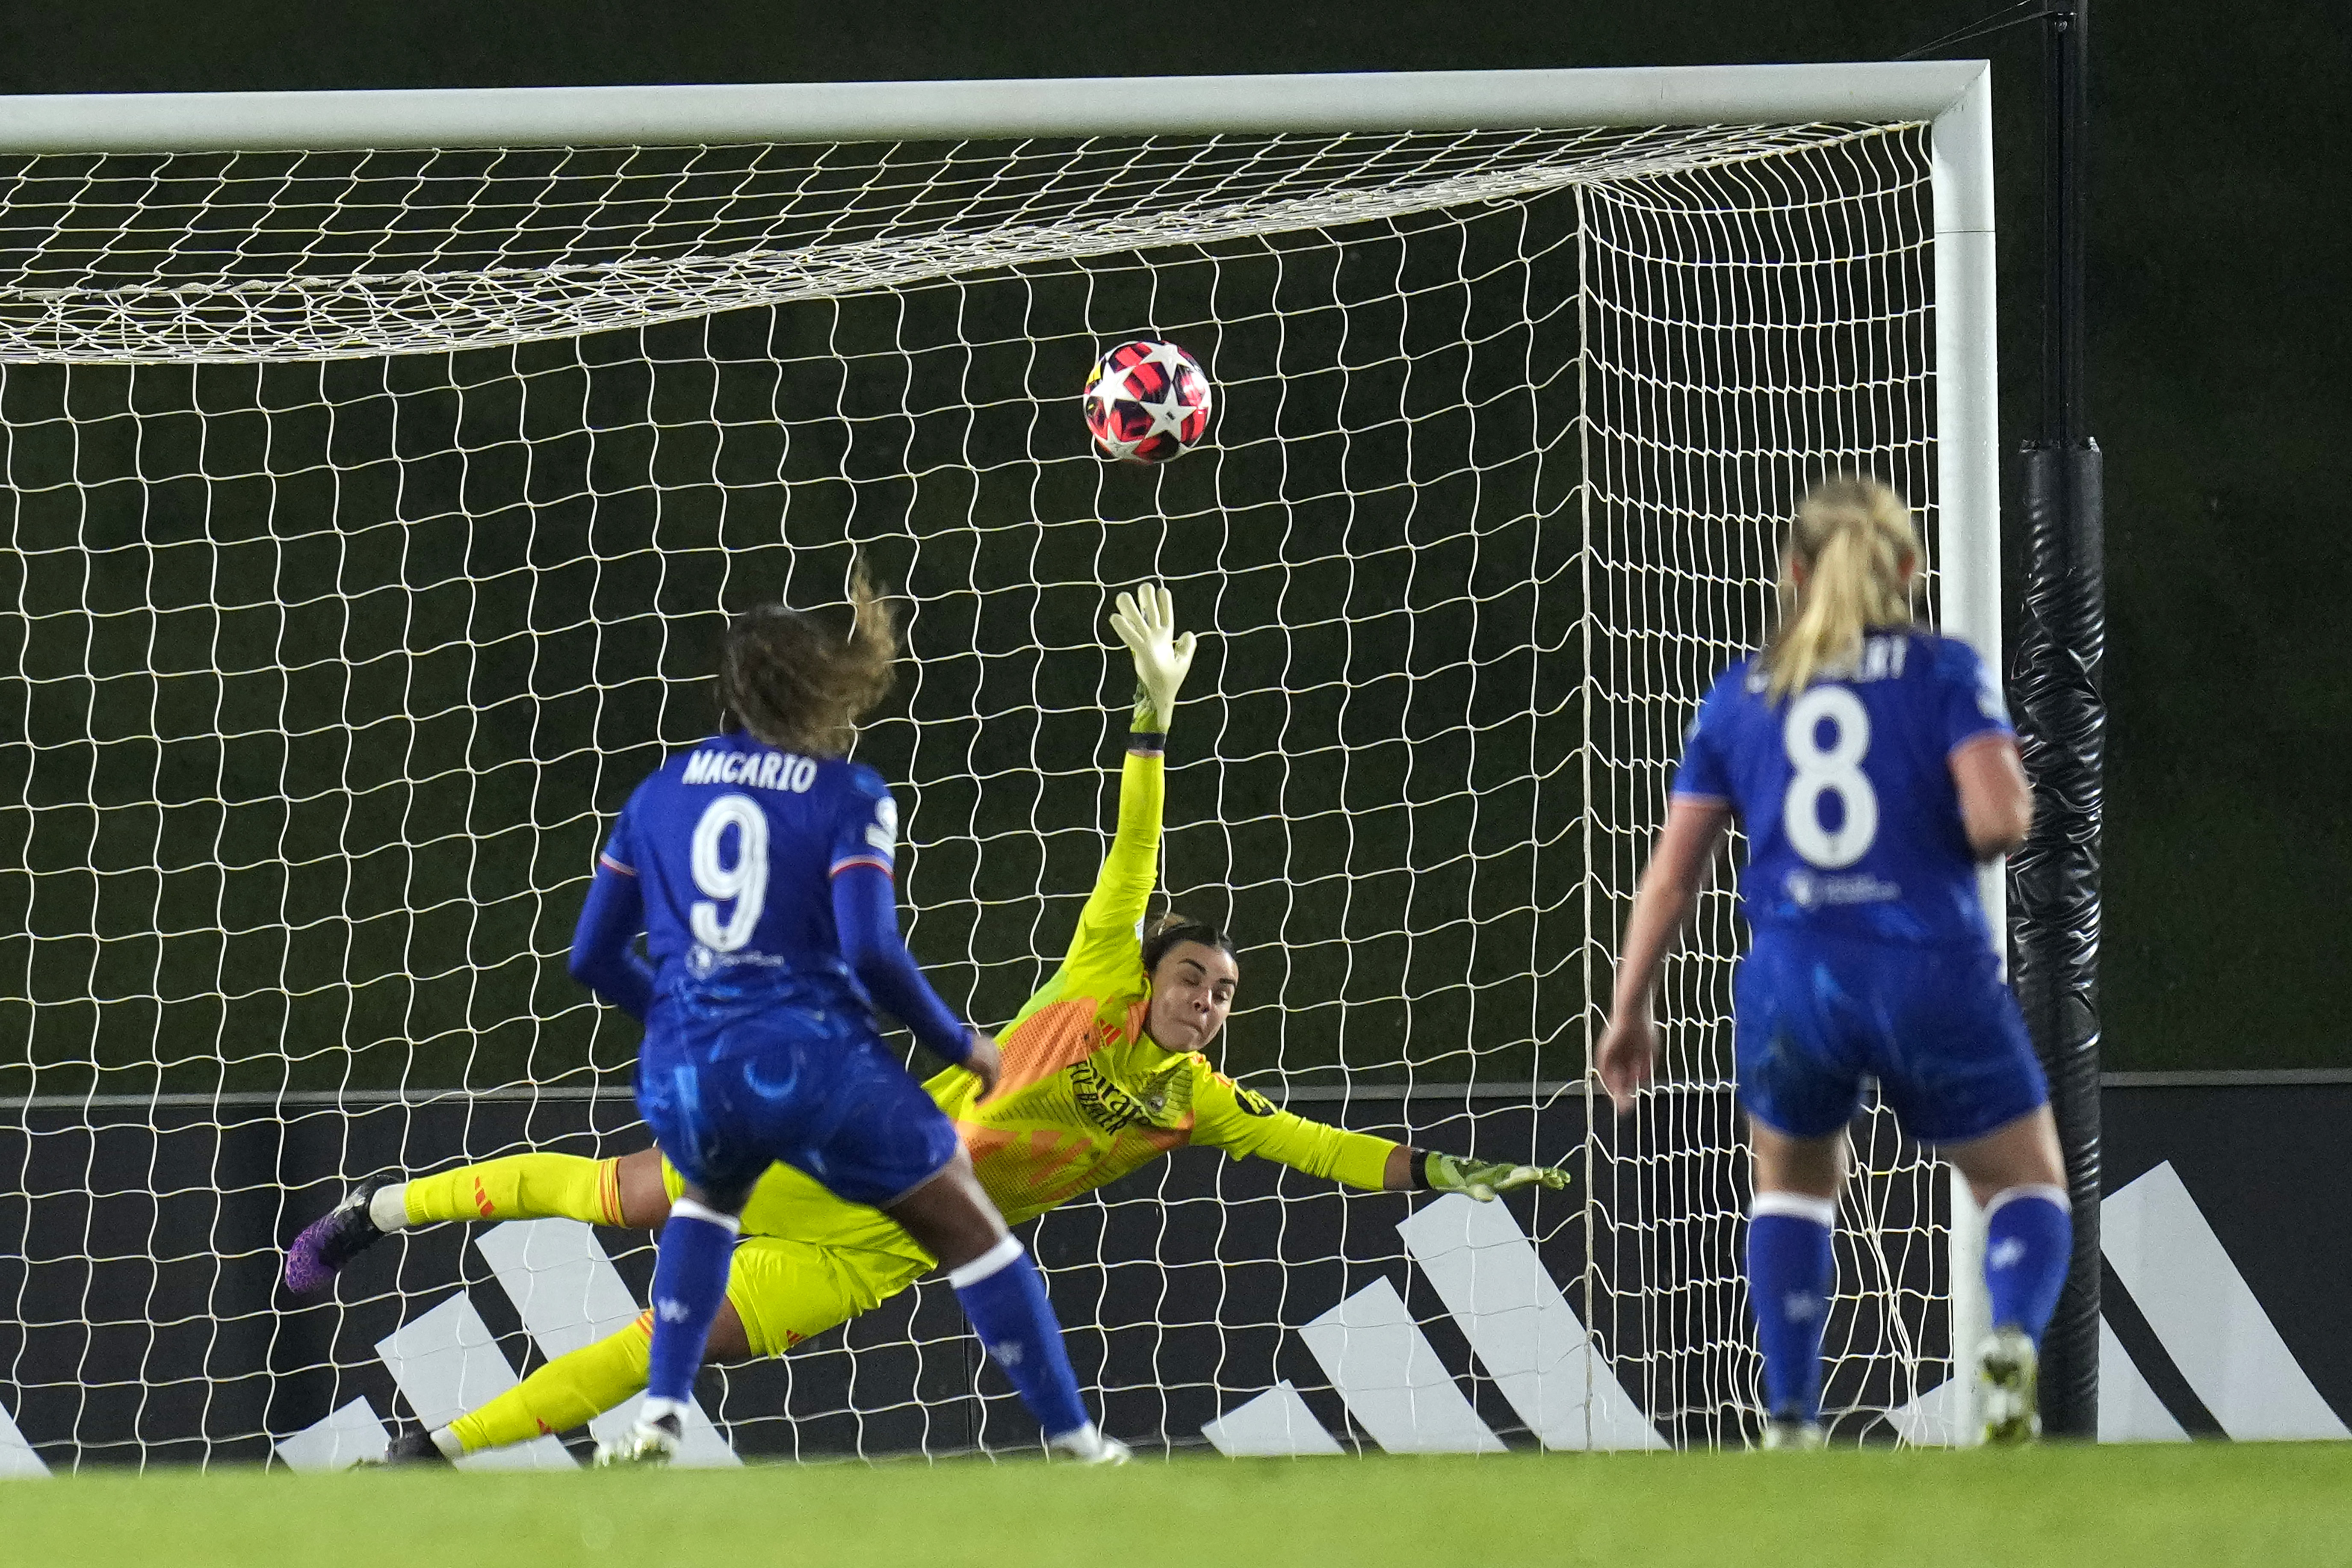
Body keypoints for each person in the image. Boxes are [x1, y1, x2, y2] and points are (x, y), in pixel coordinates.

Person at [290, 584, 1566, 1464]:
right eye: (1193, 979)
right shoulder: (1089, 983)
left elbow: (1319, 1148)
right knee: (594, 1193)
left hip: (876, 1251)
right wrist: (1152, 713)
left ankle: (434, 1451)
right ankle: (375, 1211)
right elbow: (1132, 846)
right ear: (1152, 974)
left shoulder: (1194, 1103)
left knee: (650, 1346)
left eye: (1224, 995)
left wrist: (1432, 1170)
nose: (1208, 1002)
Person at [1592, 476, 2068, 1449]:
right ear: (1906, 569)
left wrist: (1628, 1006)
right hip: (1924, 963)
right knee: (2024, 1185)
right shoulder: (1943, 673)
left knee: (1791, 1185)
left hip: (1791, 981)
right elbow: (1998, 816)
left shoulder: (1740, 692)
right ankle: (2011, 1344)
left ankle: (1792, 1417)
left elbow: (1671, 879)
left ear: (1794, 571)